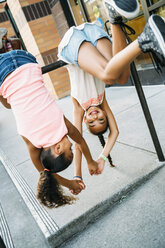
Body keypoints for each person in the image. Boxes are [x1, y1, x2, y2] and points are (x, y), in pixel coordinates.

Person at [58, 0, 165, 187]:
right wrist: (103, 159)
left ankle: (146, 38)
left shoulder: (79, 106)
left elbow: (78, 142)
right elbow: (114, 132)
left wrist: (78, 175)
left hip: (72, 43)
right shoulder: (101, 100)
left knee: (109, 77)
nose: (94, 117)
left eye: (91, 122)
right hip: (92, 34)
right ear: (105, 113)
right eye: (101, 119)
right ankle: (114, 19)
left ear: (84, 121)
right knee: (122, 77)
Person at [0, 50, 102, 208]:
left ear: (58, 148)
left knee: (10, 101)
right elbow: (44, 173)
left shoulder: (62, 127)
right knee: (8, 103)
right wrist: (69, 183)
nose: (71, 146)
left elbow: (80, 141)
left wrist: (90, 162)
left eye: (70, 150)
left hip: (27, 61)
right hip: (3, 74)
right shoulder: (32, 143)